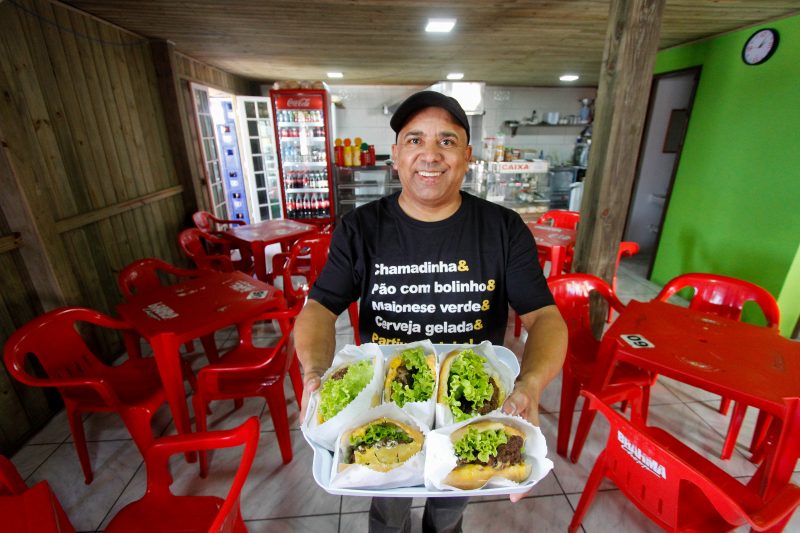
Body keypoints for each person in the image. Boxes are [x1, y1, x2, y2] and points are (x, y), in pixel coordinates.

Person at [296, 90, 567, 533]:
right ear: (396, 156)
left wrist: (531, 385)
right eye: (414, 139)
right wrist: (314, 372)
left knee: (451, 500)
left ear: (467, 155)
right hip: (383, 402)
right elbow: (319, 308)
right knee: (388, 502)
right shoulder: (360, 227)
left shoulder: (502, 228)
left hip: (472, 404)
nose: (430, 154)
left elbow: (545, 318)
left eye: (446, 141)